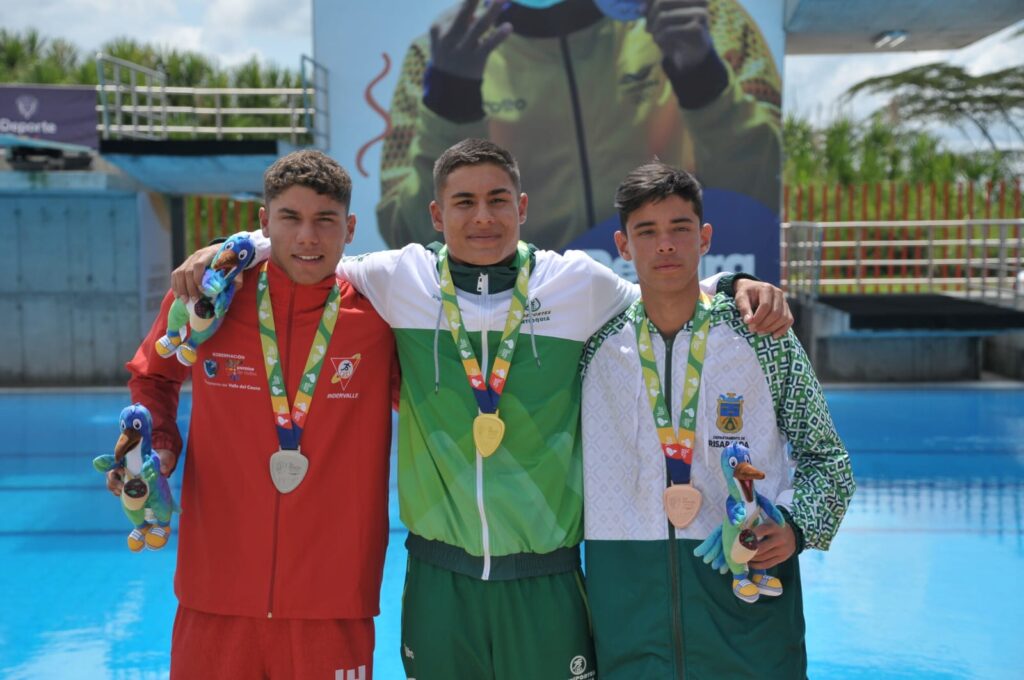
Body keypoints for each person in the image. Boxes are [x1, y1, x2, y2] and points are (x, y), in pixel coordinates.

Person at [174, 138, 793, 679]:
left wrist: (738, 286)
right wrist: (233, 249)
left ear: (522, 208)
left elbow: (664, 290)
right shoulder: (398, 278)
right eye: (464, 203)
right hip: (440, 578)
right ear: (438, 214)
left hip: (546, 579)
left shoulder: (576, 283)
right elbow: (307, 248)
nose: (483, 217)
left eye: (498, 199)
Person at [110, 150, 397, 679]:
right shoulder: (212, 302)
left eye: (325, 220)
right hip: (215, 592)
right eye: (290, 218)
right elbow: (154, 376)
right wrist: (161, 448)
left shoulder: (381, 320)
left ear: (350, 227)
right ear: (264, 222)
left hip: (333, 600)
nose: (308, 237)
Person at [580, 161, 855, 678]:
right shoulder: (594, 348)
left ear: (703, 237)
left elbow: (829, 461)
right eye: (647, 232)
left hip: (750, 621)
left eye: (679, 229)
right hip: (630, 623)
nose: (665, 245)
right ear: (623, 245)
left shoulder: (762, 336)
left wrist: (795, 525)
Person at [377, 0, 781, 252]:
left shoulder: (705, 18)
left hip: (667, 312)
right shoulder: (441, 53)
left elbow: (762, 195)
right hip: (523, 332)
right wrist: (451, 99)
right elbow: (411, 239)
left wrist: (701, 77)